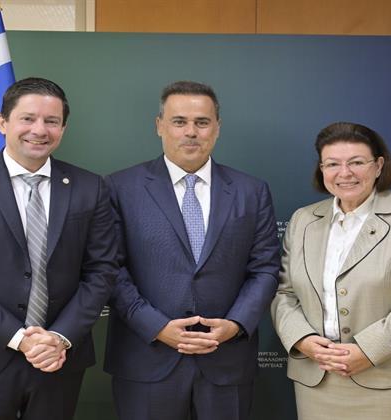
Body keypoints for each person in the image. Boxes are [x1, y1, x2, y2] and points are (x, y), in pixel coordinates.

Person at [0, 77, 118, 418]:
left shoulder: (91, 188)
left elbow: (101, 272)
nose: (39, 130)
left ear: (63, 128)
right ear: (2, 122)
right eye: (28, 118)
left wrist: (59, 337)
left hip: (58, 358)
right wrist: (20, 338)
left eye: (51, 121)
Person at [104, 80, 281, 420]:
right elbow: (110, 269)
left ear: (217, 127)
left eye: (202, 122)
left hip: (226, 360)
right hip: (146, 359)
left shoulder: (251, 191)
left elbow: (265, 268)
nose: (191, 132)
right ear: (159, 125)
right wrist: (156, 327)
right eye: (179, 121)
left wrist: (235, 324)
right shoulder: (119, 187)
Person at [271, 122, 391, 419]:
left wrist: (368, 349)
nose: (344, 173)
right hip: (320, 380)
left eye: (356, 162)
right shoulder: (302, 220)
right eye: (332, 164)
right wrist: (302, 340)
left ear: (378, 166)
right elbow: (285, 293)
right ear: (321, 169)